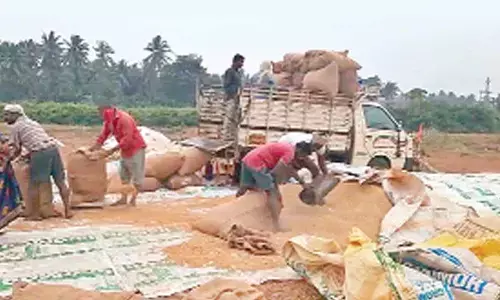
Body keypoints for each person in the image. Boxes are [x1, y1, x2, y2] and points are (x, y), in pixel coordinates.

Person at [3, 104, 71, 220]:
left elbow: (17, 149)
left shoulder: (17, 127)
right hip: (53, 149)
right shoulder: (33, 123)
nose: (5, 118)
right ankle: (68, 211)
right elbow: (36, 140)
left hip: (40, 152)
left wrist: (8, 161)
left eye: (7, 115)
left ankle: (34, 214)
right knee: (60, 181)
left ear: (15, 115)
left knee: (34, 185)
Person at [236, 142, 313, 231]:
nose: (302, 158)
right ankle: (275, 225)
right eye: (303, 155)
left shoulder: (287, 147)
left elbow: (289, 169)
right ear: (300, 150)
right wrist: (272, 182)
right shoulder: (290, 153)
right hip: (258, 163)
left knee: (244, 187)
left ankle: (233, 211)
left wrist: (302, 182)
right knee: (272, 194)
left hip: (248, 159)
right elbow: (278, 169)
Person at [89, 104, 146, 206]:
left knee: (137, 176)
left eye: (102, 114)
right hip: (124, 149)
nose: (102, 117)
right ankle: (123, 199)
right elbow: (103, 135)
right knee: (124, 175)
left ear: (108, 111)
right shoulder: (109, 121)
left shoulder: (125, 119)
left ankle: (133, 200)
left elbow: (127, 139)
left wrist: (110, 151)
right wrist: (93, 148)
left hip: (135, 148)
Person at [222, 54, 245, 144]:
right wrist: (235, 92)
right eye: (241, 62)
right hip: (231, 98)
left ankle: (231, 137)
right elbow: (226, 85)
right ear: (235, 61)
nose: (242, 64)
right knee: (229, 118)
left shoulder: (238, 73)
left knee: (235, 119)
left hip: (237, 99)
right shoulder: (230, 72)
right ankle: (226, 138)